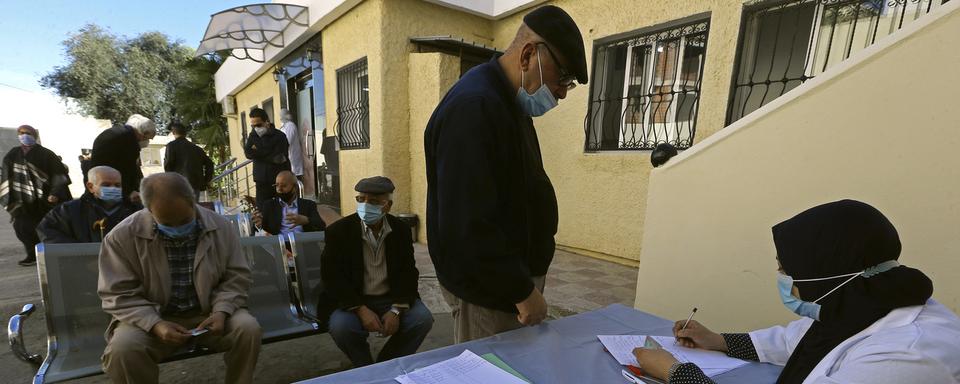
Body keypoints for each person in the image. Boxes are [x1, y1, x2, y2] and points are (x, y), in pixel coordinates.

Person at [633, 200, 960, 383]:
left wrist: (677, 373)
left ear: (827, 274)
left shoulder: (909, 356)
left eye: (788, 270)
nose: (781, 277)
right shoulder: (865, 301)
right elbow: (796, 341)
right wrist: (718, 340)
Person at [423, 5, 587, 342]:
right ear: (528, 55)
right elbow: (468, 224)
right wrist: (521, 291)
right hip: (492, 294)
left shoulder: (508, 101)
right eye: (563, 77)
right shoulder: (475, 107)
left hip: (509, 288)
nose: (562, 92)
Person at [98, 173, 261, 384]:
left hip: (208, 313)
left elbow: (237, 276)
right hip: (151, 318)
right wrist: (155, 324)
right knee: (123, 349)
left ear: (193, 200)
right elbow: (118, 294)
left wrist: (222, 310)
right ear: (148, 210)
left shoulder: (221, 227)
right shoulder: (122, 236)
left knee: (247, 329)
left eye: (184, 220)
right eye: (167, 222)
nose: (177, 229)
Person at [321, 176, 433, 367]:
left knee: (422, 319)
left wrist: (397, 310)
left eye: (373, 202)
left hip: (390, 298)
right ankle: (364, 366)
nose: (365, 206)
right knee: (341, 327)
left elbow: (408, 273)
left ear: (387, 205)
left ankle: (385, 365)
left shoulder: (400, 230)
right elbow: (332, 277)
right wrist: (361, 309)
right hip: (355, 300)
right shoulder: (339, 231)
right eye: (361, 200)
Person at [1, 125, 72, 266]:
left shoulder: (47, 154)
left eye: (28, 133)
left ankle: (51, 254)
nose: (24, 135)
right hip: (23, 201)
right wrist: (9, 199)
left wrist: (55, 193)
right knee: (22, 228)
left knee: (47, 229)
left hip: (45, 201)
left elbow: (59, 175)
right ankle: (32, 255)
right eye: (21, 133)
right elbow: (6, 175)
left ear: (35, 135)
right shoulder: (13, 154)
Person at [37, 166, 141, 243]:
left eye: (117, 185)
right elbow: (46, 230)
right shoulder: (70, 210)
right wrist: (79, 251)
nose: (113, 188)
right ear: (90, 187)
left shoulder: (134, 210)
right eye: (106, 185)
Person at [91, 114, 157, 203]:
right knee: (118, 213)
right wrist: (130, 191)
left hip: (99, 182)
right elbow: (128, 169)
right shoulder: (129, 140)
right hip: (113, 187)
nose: (146, 141)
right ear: (143, 133)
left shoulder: (116, 132)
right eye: (147, 138)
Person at [251, 170, 325, 235]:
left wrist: (306, 220)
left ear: (295, 187)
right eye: (277, 185)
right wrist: (259, 224)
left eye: (283, 186)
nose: (279, 189)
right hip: (280, 246)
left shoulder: (308, 204)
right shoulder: (270, 205)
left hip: (304, 246)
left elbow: (321, 226)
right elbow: (264, 229)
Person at [243, 108, 290, 208]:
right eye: (253, 125)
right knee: (262, 211)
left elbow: (279, 158)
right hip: (261, 181)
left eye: (258, 125)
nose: (256, 128)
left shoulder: (280, 136)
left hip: (279, 181)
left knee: (282, 210)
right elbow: (248, 153)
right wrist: (268, 153)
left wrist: (258, 153)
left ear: (267, 122)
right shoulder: (253, 136)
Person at [164, 122, 215, 200]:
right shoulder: (196, 148)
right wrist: (206, 180)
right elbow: (210, 164)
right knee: (193, 208)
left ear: (173, 132)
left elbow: (168, 165)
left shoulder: (171, 146)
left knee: (180, 209)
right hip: (195, 185)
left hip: (179, 184)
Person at [278, 109, 304, 181]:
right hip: (288, 158)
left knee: (295, 180)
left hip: (292, 157)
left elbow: (287, 142)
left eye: (281, 116)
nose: (280, 118)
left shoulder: (290, 126)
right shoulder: (284, 126)